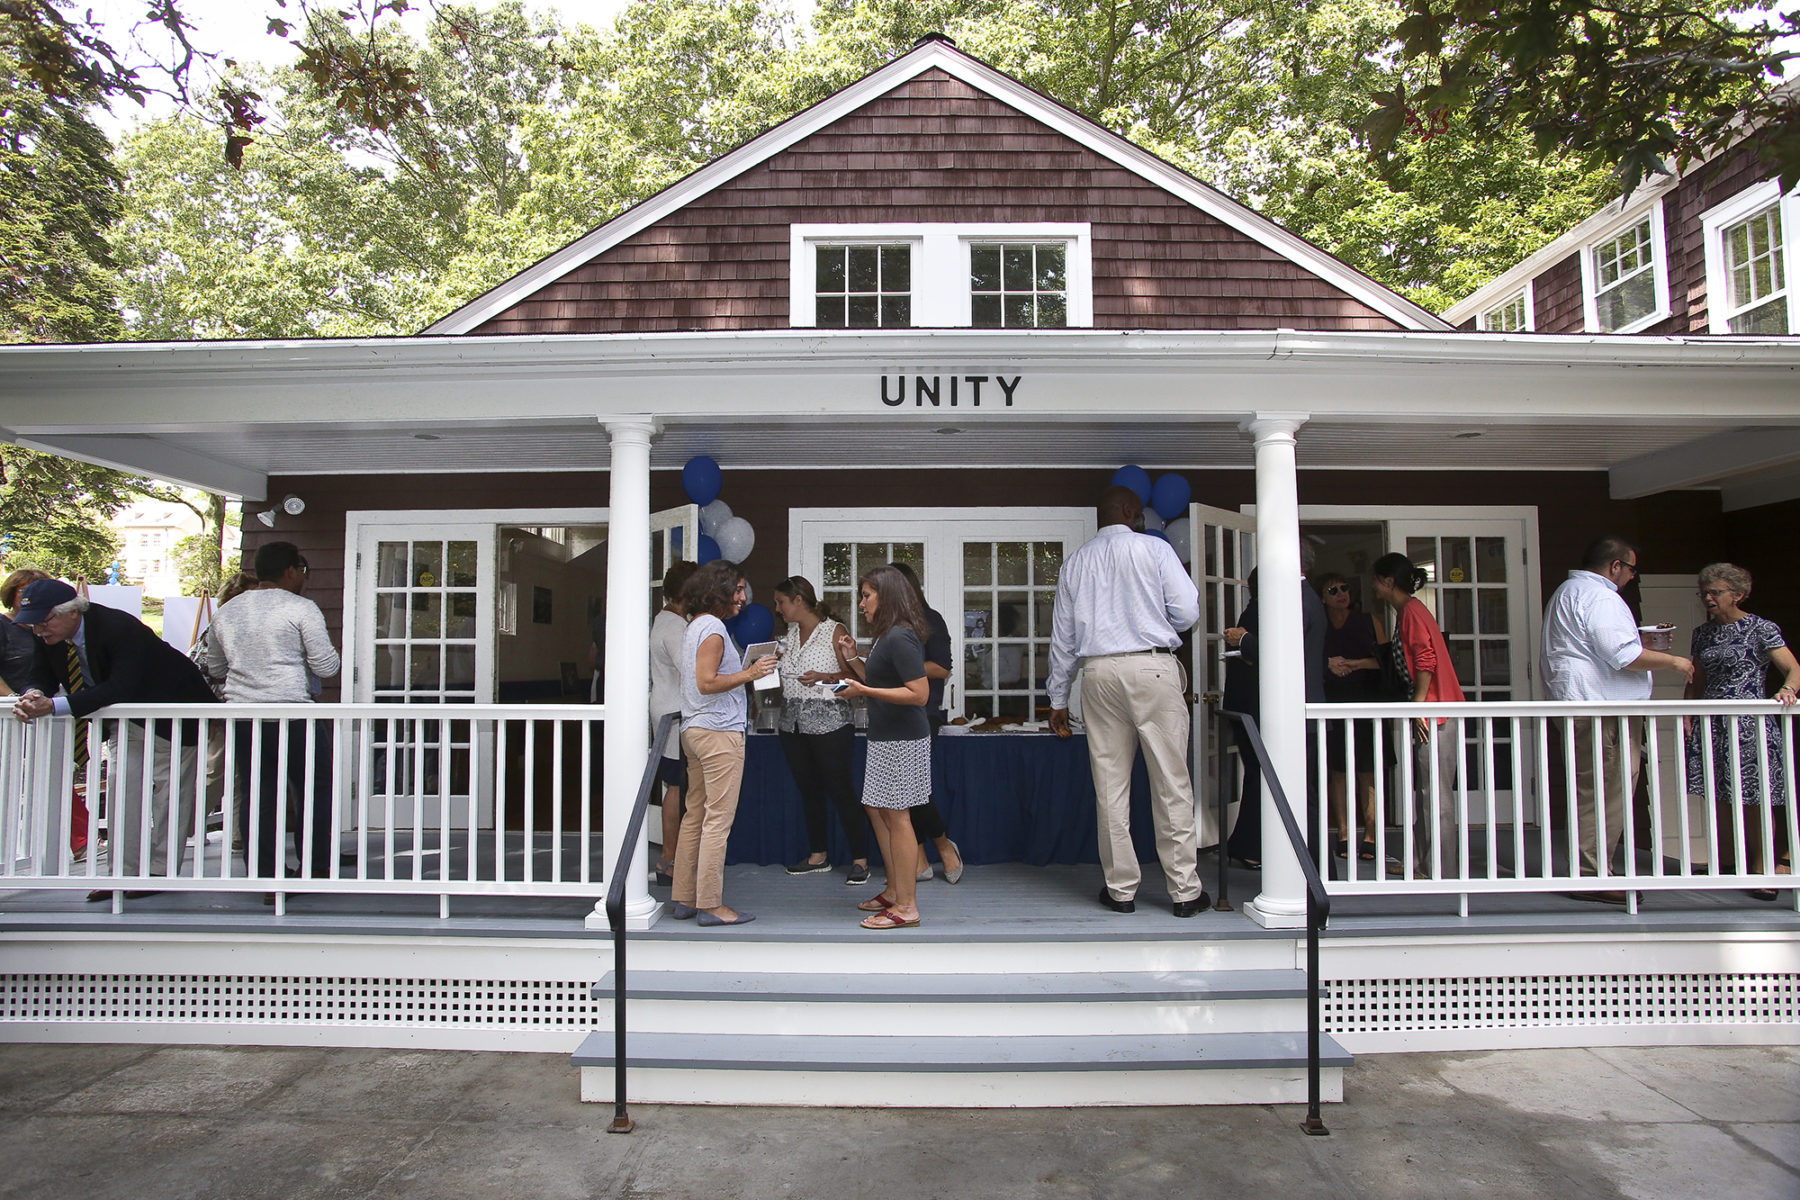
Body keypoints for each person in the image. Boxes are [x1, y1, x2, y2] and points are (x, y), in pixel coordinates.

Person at [1047, 486, 1207, 918]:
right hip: (1151, 667)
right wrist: (1157, 620)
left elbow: (1063, 639)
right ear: (1132, 511)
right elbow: (1188, 613)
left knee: (1110, 786)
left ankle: (1121, 891)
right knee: (1172, 782)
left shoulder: (1077, 561)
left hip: (1098, 672)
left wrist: (1058, 697)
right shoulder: (1152, 549)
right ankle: (1185, 893)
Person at [11, 578, 218, 899]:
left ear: (71, 612)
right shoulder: (48, 635)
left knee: (170, 793)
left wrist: (53, 707)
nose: (38, 631)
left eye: (43, 622)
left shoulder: (116, 626)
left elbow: (120, 687)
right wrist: (34, 693)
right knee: (122, 787)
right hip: (124, 717)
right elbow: (39, 673)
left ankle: (161, 874)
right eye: (33, 625)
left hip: (174, 709)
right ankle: (123, 874)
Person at [1539, 536, 1693, 903]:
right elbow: (1620, 654)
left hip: (1587, 705)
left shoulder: (1570, 591)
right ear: (1615, 567)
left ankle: (1592, 869)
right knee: (1604, 790)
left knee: (1596, 789)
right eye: (1631, 569)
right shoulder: (1601, 597)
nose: (1631, 577)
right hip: (1601, 709)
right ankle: (1592, 875)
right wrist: (1675, 662)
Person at [200, 542, 342, 892]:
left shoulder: (228, 612)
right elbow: (327, 665)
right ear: (292, 571)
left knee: (258, 793)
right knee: (314, 789)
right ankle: (315, 869)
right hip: (293, 712)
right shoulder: (301, 608)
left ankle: (264, 875)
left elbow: (215, 666)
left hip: (246, 716)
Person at [1682, 563, 1798, 898]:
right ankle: (1730, 863)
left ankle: (1765, 869)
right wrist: (1689, 711)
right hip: (1713, 722)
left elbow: (1793, 668)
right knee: (1719, 795)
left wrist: (1787, 690)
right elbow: (1698, 679)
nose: (1708, 598)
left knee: (1756, 796)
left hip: (1749, 724)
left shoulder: (1760, 628)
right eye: (1705, 592)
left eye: (1716, 592)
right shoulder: (1702, 633)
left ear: (1738, 594)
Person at [670, 559, 777, 927]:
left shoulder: (695, 625)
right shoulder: (714, 628)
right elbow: (706, 682)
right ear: (719, 590)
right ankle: (711, 905)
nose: (744, 597)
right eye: (738, 589)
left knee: (695, 814)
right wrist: (752, 672)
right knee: (717, 821)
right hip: (718, 734)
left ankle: (684, 897)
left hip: (694, 731)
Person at [836, 565, 932, 929]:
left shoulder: (900, 637)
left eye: (866, 596)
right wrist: (854, 658)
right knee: (877, 808)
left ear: (886, 596)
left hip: (903, 739)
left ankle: (907, 906)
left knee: (898, 815)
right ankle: (893, 891)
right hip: (885, 737)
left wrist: (864, 691)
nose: (861, 604)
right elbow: (876, 679)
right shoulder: (885, 637)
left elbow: (919, 694)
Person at [1221, 543, 1326, 870]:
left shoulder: (1296, 599)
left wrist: (1243, 640)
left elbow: (1281, 650)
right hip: (1290, 712)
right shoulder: (1304, 597)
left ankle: (1314, 865)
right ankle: (1305, 862)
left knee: (1296, 792)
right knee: (1281, 785)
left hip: (1294, 713)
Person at [1372, 551, 1469, 880]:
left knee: (1435, 794)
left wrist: (1420, 706)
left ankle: (1442, 869)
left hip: (1436, 710)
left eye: (1377, 582)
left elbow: (1425, 659)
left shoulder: (1412, 610)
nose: (1374, 588)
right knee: (1426, 790)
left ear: (1388, 582)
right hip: (1432, 708)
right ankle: (1423, 863)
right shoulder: (1407, 611)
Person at [772, 574, 871, 885]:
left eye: (781, 602)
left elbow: (858, 681)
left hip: (830, 722)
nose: (778, 609)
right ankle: (818, 856)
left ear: (798, 601)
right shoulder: (787, 635)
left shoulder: (834, 631)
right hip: (793, 723)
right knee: (809, 791)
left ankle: (860, 859)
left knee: (841, 790)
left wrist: (826, 677)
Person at [887, 562, 963, 884]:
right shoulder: (887, 625)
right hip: (889, 714)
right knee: (896, 793)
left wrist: (902, 663)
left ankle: (944, 845)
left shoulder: (930, 620)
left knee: (914, 789)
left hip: (922, 715)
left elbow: (942, 668)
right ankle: (917, 856)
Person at [1320, 571, 1390, 861]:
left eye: (1345, 588)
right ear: (1323, 597)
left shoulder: (1369, 621)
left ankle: (1371, 835)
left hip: (1367, 701)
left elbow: (1387, 662)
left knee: (1367, 771)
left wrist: (1355, 663)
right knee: (1338, 771)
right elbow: (1303, 659)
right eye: (1333, 590)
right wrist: (1328, 664)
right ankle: (1344, 832)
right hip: (1333, 702)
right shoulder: (1318, 623)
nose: (1340, 594)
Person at [648, 560, 697, 887]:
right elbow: (691, 671)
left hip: (665, 709)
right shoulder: (675, 627)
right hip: (675, 714)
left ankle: (672, 857)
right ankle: (669, 859)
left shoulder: (664, 619)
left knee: (675, 785)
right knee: (678, 786)